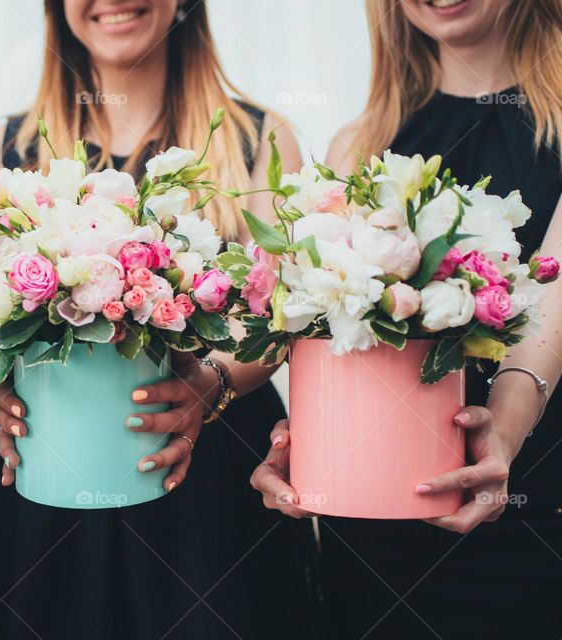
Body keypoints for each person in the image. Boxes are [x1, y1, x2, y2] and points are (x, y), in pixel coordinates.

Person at [0, 1, 320, 638]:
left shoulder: (260, 139)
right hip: (49, 471)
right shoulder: (4, 150)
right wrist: (1, 386)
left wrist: (212, 380)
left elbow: (288, 313)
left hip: (216, 476)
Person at [251, 1, 562, 638]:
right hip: (372, 523)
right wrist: (243, 400)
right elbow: (309, 316)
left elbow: (551, 308)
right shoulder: (359, 142)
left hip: (534, 510)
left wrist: (499, 434)